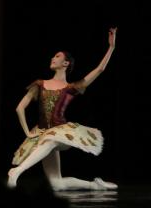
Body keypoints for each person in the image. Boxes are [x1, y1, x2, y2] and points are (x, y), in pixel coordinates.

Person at [8, 28, 117, 190]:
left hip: (61, 132)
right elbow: (19, 108)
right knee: (56, 184)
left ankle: (16, 171)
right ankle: (95, 185)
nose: (53, 58)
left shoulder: (71, 88)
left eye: (57, 56)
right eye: (53, 56)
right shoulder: (40, 84)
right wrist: (28, 133)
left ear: (66, 63)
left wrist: (111, 47)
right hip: (43, 133)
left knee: (52, 139)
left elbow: (99, 69)